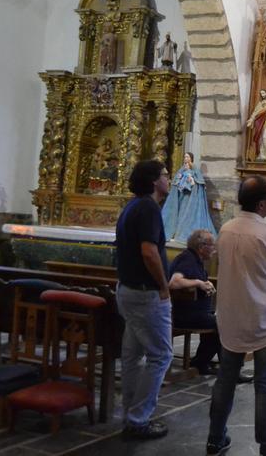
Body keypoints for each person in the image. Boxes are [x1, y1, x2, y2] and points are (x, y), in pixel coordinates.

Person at [207, 175, 266, 456]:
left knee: (225, 380)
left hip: (232, 316)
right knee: (265, 385)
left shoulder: (226, 229)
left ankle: (214, 438)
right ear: (261, 205)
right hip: (264, 319)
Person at [115, 160, 172, 440]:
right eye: (165, 175)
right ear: (153, 181)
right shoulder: (148, 208)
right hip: (144, 293)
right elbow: (149, 252)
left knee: (133, 355)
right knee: (161, 355)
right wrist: (163, 285)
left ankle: (130, 413)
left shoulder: (132, 205)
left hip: (128, 290)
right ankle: (138, 418)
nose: (169, 179)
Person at [169, 229, 253, 383]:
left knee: (223, 320)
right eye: (212, 246)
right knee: (225, 324)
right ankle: (230, 371)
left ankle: (200, 362)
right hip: (185, 315)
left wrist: (206, 284)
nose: (214, 250)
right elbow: (174, 282)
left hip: (196, 313)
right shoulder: (187, 259)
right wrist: (199, 283)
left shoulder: (195, 259)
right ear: (201, 247)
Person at [161, 152, 217, 243]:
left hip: (190, 197)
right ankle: (176, 233)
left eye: (187, 157)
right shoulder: (182, 169)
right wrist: (179, 180)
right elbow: (176, 180)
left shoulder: (195, 169)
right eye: (184, 157)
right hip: (182, 196)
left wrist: (191, 180)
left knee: (187, 215)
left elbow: (198, 182)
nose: (185, 158)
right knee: (181, 214)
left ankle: (182, 234)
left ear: (191, 158)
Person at [246, 89, 266, 162]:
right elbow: (255, 113)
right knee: (260, 138)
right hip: (259, 123)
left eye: (263, 92)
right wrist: (251, 120)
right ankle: (261, 154)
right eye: (261, 93)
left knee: (265, 137)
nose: (262, 94)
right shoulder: (260, 104)